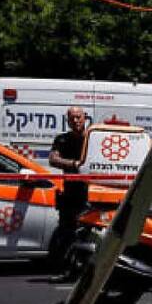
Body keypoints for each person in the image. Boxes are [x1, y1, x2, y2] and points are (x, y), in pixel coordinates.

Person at [48, 106, 88, 277]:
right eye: (71, 118)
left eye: (78, 117)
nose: (75, 121)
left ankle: (86, 271)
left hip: (92, 194)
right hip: (71, 194)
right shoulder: (62, 139)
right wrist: (74, 164)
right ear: (67, 120)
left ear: (85, 117)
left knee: (88, 233)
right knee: (66, 234)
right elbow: (53, 159)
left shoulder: (92, 138)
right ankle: (65, 270)